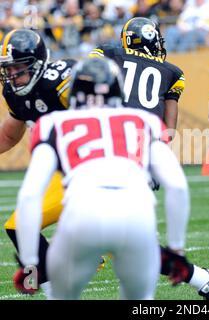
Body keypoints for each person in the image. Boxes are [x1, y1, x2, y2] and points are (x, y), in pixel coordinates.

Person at [14, 57, 190, 300]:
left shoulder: (52, 123)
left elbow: (30, 194)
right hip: (136, 213)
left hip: (82, 213)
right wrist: (176, 249)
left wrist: (31, 263)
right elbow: (177, 185)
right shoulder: (145, 121)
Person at [89, 16, 209, 300]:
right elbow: (168, 128)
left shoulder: (108, 54)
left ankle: (206, 279)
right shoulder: (171, 72)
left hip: (112, 150)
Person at [0, 28, 76, 297]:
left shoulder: (63, 81)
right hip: (61, 171)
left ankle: (205, 280)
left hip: (92, 171)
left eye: (18, 68)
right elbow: (9, 135)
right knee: (19, 226)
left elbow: (109, 120)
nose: (12, 76)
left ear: (38, 62)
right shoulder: (15, 91)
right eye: (7, 70)